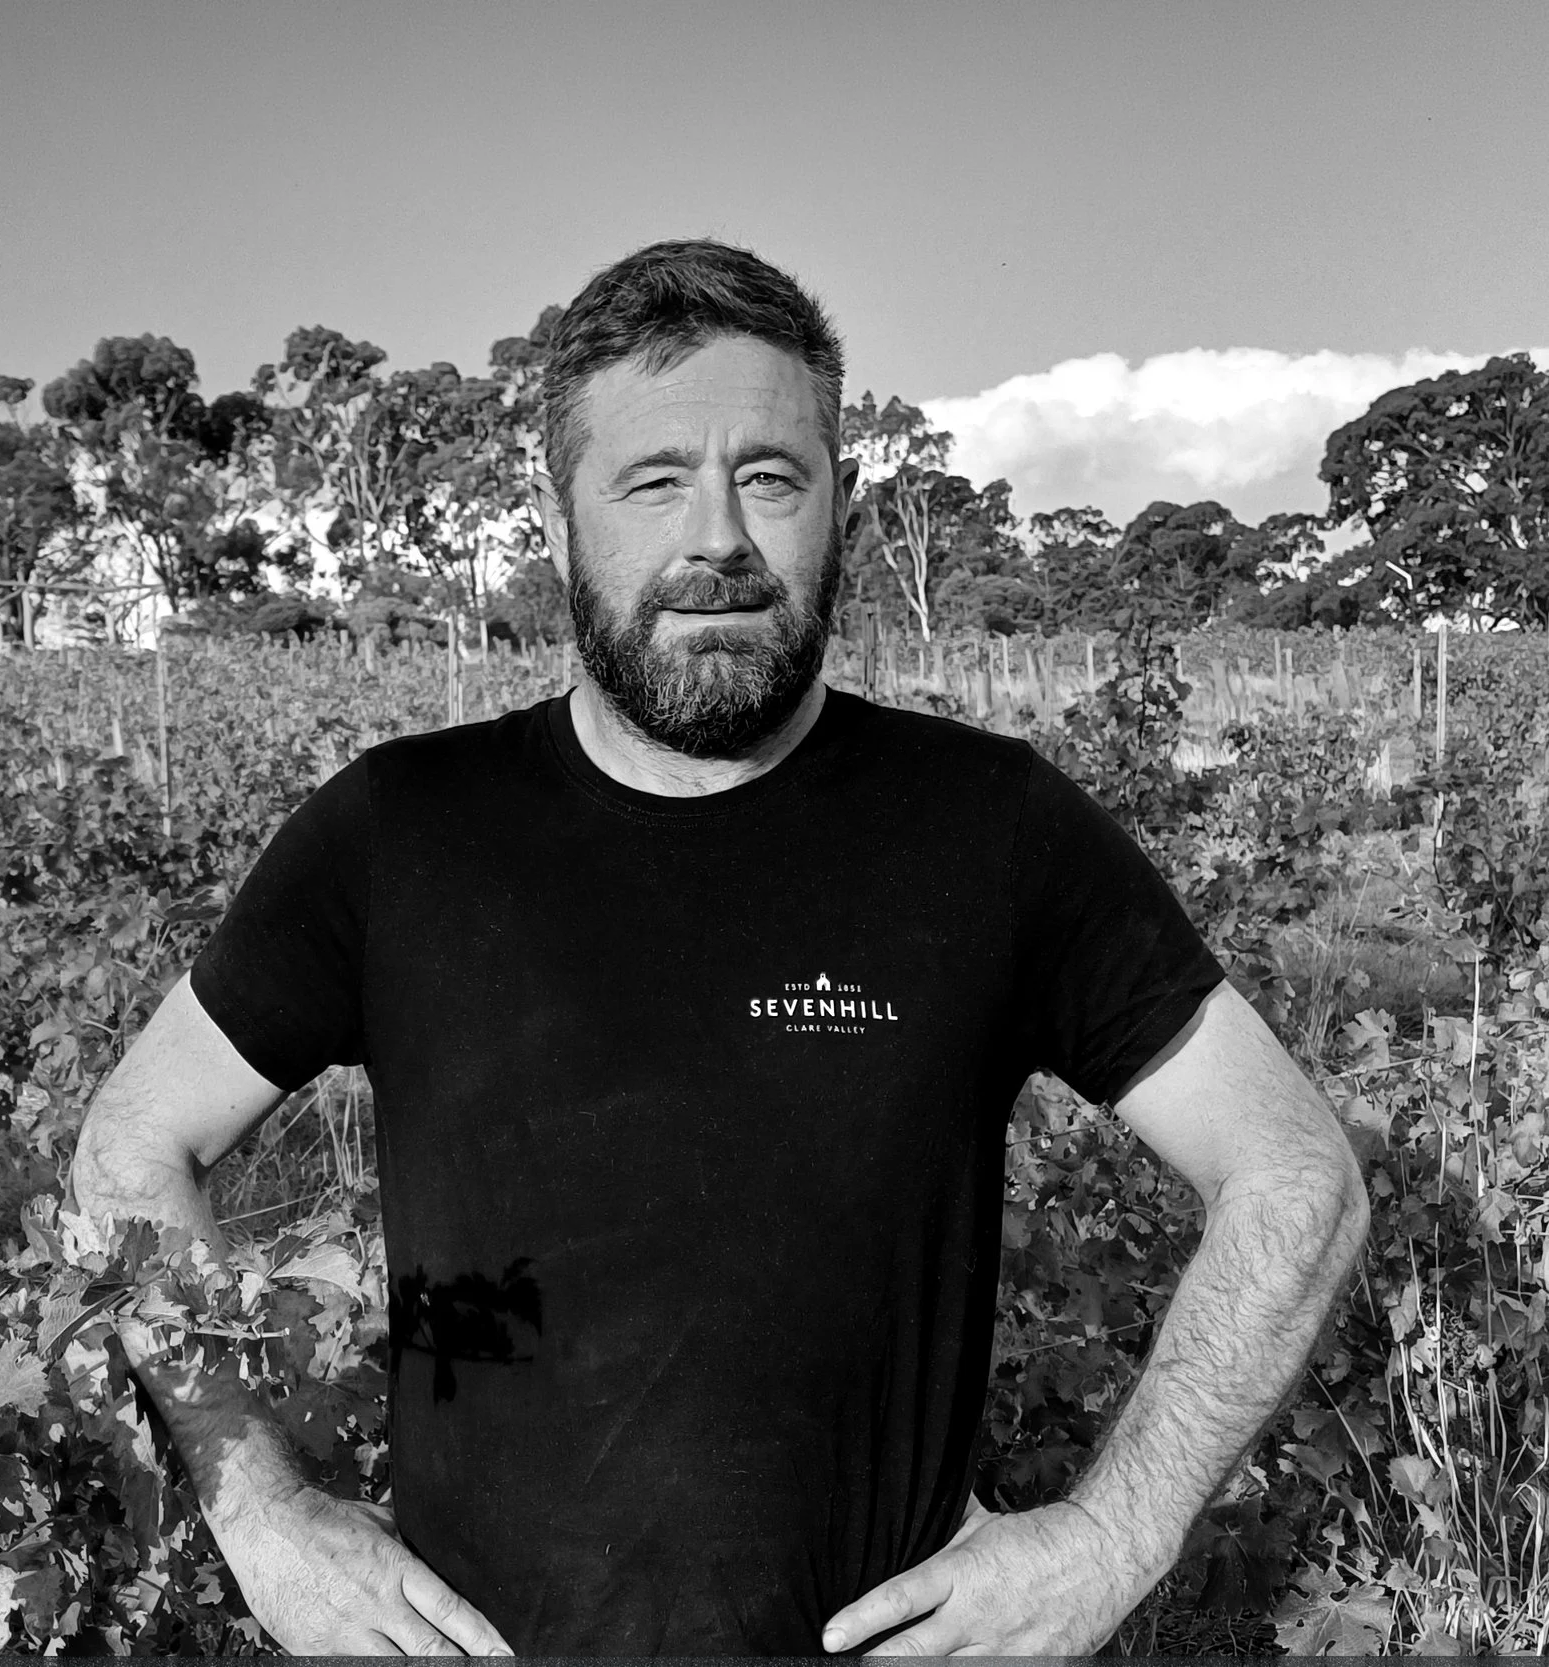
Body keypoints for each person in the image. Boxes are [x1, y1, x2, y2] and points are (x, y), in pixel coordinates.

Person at [67, 238, 1369, 1656]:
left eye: (769, 476)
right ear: (557, 522)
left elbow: (1296, 1175)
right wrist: (258, 1511)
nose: (721, 542)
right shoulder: (399, 831)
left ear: (842, 505)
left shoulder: (993, 829)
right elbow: (133, 1140)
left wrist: (1115, 1534)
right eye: (653, 481)